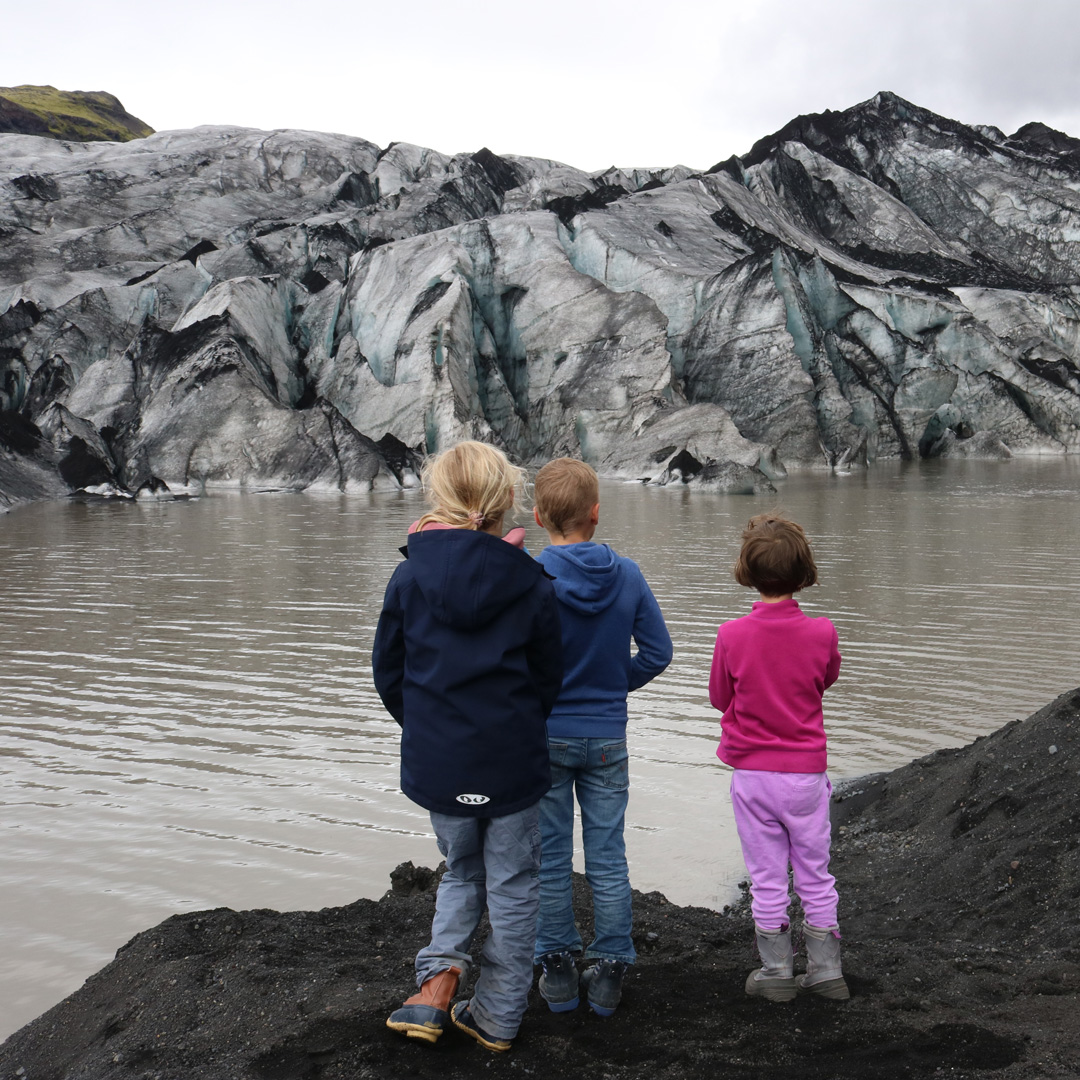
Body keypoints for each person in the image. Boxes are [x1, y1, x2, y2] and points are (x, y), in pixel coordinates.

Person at [372, 441, 563, 1052]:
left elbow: (389, 674)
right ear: (507, 500)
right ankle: (498, 1019)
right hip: (511, 764)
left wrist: (428, 729)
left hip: (440, 759)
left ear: (440, 498)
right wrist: (518, 726)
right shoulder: (532, 582)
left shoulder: (409, 576)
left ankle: (436, 985)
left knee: (459, 871)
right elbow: (546, 677)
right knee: (513, 882)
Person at [529, 458, 672, 1016]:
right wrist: (615, 685)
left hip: (546, 737)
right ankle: (610, 969)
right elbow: (658, 653)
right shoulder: (629, 574)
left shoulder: (531, 576)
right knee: (608, 856)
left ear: (539, 516)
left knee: (551, 857)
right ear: (595, 512)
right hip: (608, 738)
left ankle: (559, 974)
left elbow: (515, 658)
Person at [708, 512, 848, 1002]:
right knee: (815, 871)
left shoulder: (731, 634)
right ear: (803, 571)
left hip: (752, 777)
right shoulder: (823, 632)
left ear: (747, 569)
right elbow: (824, 680)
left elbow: (719, 698)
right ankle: (827, 970)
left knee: (767, 877)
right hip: (806, 776)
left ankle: (776, 972)